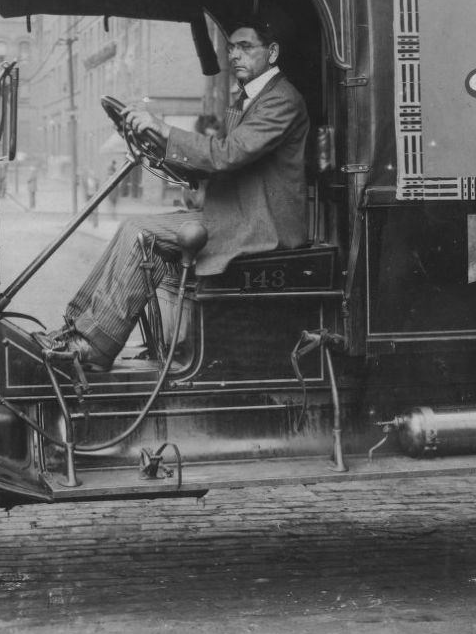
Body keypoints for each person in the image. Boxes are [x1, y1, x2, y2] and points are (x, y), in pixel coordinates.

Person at [43, 18, 309, 370]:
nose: (234, 56)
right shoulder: (251, 98)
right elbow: (220, 161)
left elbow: (228, 153)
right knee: (134, 230)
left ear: (272, 52)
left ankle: (93, 344)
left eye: (246, 47)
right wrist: (159, 145)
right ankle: (77, 329)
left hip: (262, 226)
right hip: (237, 216)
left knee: (139, 231)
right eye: (231, 48)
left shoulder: (281, 100)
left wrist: (164, 128)